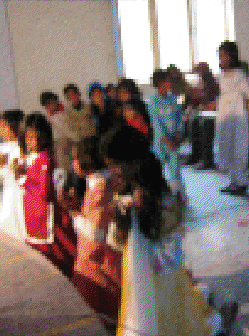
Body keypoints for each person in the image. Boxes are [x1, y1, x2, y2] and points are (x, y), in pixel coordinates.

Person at [99, 126, 222, 336]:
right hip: (136, 287)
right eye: (109, 165)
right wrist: (120, 226)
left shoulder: (163, 201)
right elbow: (119, 245)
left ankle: (215, 318)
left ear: (135, 162)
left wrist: (139, 232)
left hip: (164, 291)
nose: (112, 172)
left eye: (116, 165)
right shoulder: (124, 195)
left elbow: (172, 259)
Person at [16, 113, 77, 278]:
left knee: (57, 251)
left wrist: (22, 178)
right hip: (34, 213)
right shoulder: (31, 157)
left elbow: (44, 192)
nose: (34, 142)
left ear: (46, 136)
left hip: (45, 216)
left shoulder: (46, 159)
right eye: (29, 138)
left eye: (38, 138)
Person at [70, 136, 122, 325]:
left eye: (75, 158)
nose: (72, 162)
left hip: (97, 257)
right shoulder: (104, 180)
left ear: (87, 160)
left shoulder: (100, 189)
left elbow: (96, 234)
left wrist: (74, 212)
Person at [215, 41, 249, 195]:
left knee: (238, 147)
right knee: (228, 145)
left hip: (237, 117)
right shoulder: (222, 75)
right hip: (225, 116)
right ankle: (234, 181)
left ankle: (242, 181)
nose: (221, 59)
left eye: (224, 55)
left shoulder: (239, 74)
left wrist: (241, 102)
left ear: (232, 56)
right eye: (219, 56)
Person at [148, 69, 184, 195]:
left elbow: (179, 117)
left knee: (175, 166)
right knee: (159, 166)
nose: (170, 83)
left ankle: (177, 191)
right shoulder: (153, 102)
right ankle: (158, 191)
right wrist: (166, 140)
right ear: (160, 83)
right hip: (161, 142)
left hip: (174, 140)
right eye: (167, 81)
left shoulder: (173, 99)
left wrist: (179, 132)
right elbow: (156, 124)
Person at [185, 62, 220, 170]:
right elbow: (193, 98)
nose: (199, 73)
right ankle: (196, 156)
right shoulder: (199, 82)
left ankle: (208, 161)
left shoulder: (212, 82)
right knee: (193, 127)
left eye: (200, 71)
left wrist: (203, 102)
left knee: (206, 132)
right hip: (200, 112)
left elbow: (214, 98)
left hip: (211, 113)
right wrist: (191, 105)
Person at [0, 110, 25, 240]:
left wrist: (15, 167)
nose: (1, 130)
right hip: (8, 194)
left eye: (4, 126)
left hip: (21, 194)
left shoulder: (23, 147)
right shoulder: (3, 147)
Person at [39, 91, 74, 172]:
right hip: (58, 140)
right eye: (47, 105)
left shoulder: (67, 109)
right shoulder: (48, 116)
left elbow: (71, 127)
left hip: (70, 137)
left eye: (51, 102)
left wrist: (70, 136)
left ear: (56, 100)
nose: (50, 106)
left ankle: (65, 173)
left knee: (60, 151)